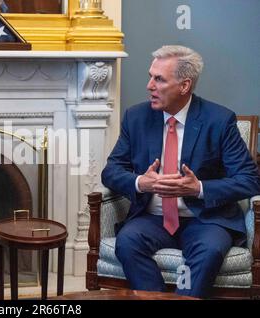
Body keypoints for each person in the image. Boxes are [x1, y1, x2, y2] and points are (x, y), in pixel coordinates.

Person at [101, 45, 260, 298]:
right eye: (150, 76)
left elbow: (249, 180)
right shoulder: (136, 117)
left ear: (184, 86)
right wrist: (142, 182)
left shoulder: (219, 120)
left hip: (205, 219)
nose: (149, 85)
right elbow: (111, 171)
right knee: (128, 242)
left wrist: (198, 188)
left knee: (209, 250)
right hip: (152, 218)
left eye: (159, 79)